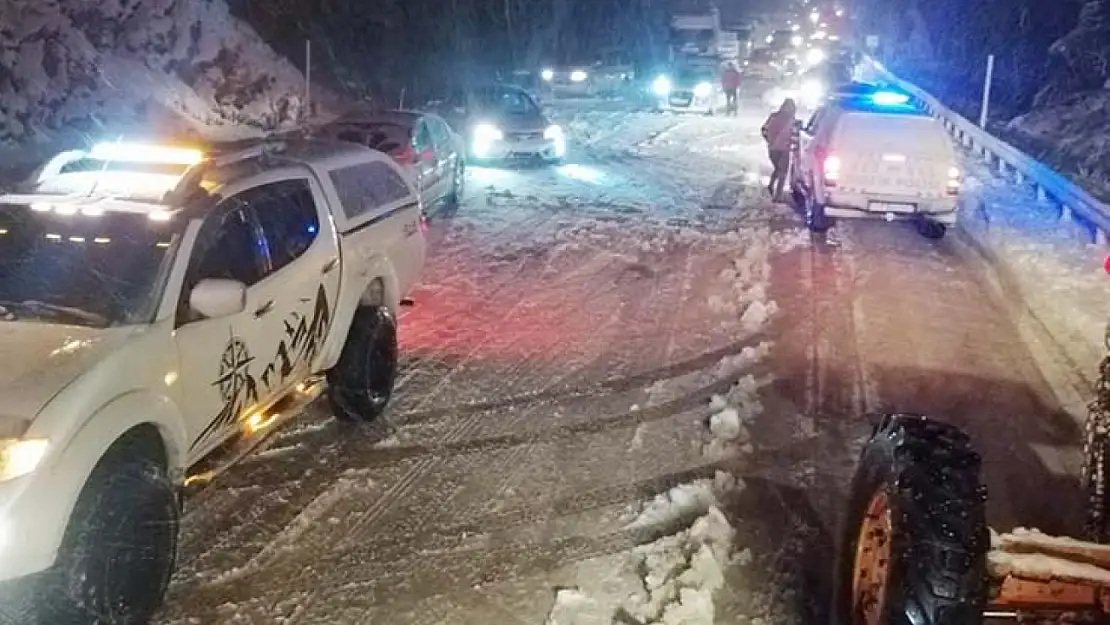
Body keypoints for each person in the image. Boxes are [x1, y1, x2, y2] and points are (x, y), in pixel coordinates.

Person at [761, 98, 797, 201]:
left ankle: (771, 185)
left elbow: (763, 129)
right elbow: (794, 135)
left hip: (772, 149)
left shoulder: (773, 116)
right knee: (782, 172)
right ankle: (778, 195)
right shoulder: (791, 120)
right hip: (784, 149)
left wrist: (769, 140)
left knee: (778, 168)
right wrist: (794, 146)